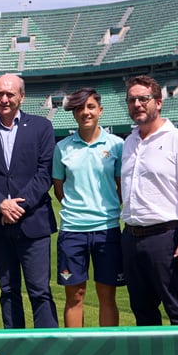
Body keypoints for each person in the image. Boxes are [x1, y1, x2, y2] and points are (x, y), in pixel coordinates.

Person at [0, 73, 59, 328]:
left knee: (40, 291)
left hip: (33, 222)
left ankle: (48, 350)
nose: (4, 99)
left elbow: (45, 173)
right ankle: (15, 349)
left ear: (21, 96)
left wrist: (18, 205)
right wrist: (0, 204)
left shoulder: (42, 127)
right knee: (8, 290)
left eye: (10, 94)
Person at [119, 75, 178, 326]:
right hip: (132, 237)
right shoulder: (129, 143)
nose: (137, 104)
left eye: (143, 99)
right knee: (142, 313)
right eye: (132, 100)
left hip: (166, 238)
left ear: (158, 103)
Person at [52, 88, 125, 327]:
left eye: (91, 107)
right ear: (74, 114)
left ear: (100, 110)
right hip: (72, 231)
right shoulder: (62, 148)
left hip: (108, 229)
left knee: (107, 295)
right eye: (80, 108)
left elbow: (120, 186)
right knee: (75, 296)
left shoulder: (117, 145)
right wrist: (79, 210)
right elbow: (59, 189)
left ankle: (108, 353)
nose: (86, 112)